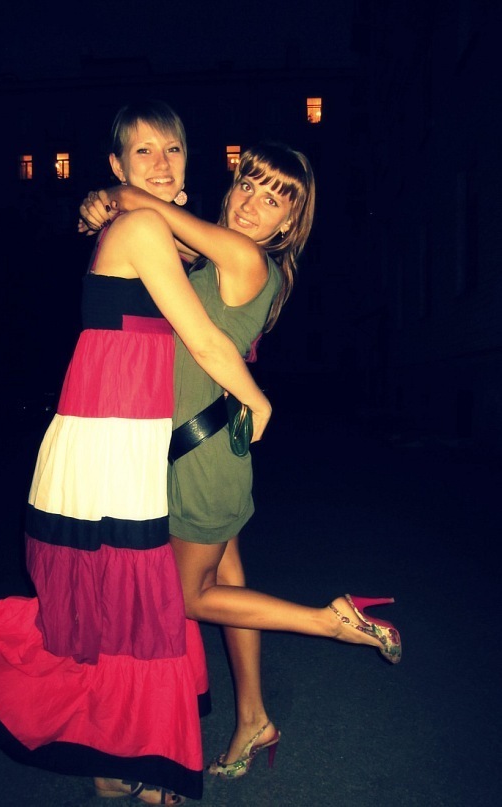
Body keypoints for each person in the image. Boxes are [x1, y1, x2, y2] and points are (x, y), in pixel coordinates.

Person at [0, 101, 273, 806]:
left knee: (115, 609)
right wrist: (257, 399)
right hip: (109, 433)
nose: (160, 163)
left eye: (172, 150)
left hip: (130, 429)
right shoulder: (143, 230)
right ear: (117, 164)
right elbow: (202, 339)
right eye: (142, 152)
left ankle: (110, 757)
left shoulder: (162, 232)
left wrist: (109, 198)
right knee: (137, 604)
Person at [78, 139, 402, 780]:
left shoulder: (245, 256)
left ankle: (331, 621)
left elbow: (141, 205)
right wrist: (110, 208)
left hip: (202, 462)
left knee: (189, 597)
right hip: (208, 448)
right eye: (249, 185)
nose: (255, 204)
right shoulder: (221, 255)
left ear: (290, 223)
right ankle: (253, 717)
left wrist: (111, 195)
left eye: (276, 199)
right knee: (227, 587)